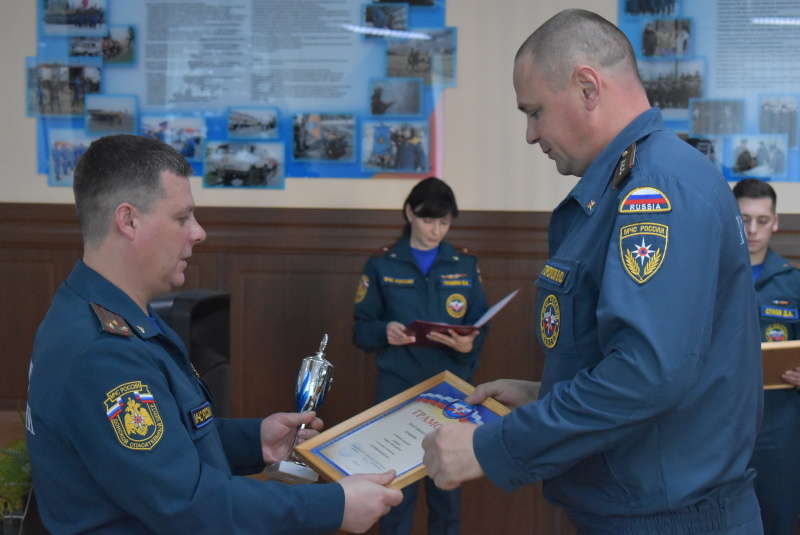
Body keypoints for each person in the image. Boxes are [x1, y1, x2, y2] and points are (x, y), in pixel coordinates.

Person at [421, 9, 763, 534]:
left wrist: (493, 448)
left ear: (587, 86)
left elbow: (647, 375)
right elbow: (655, 362)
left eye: (534, 111)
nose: (531, 134)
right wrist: (546, 392)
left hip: (668, 517)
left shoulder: (656, 191)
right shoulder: (633, 182)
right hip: (643, 503)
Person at [26, 134, 402, 535]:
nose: (198, 232)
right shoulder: (102, 352)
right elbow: (186, 503)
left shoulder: (109, 313)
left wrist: (255, 441)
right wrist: (333, 505)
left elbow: (168, 445)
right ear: (128, 220)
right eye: (181, 217)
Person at [353, 177, 489, 535]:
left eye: (444, 222)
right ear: (410, 213)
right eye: (429, 220)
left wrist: (468, 344)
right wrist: (386, 331)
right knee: (396, 498)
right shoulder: (382, 264)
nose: (436, 230)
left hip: (450, 394)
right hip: (398, 393)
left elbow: (480, 325)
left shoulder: (464, 264)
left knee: (447, 502)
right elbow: (361, 330)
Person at [733, 178, 800, 535]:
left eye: (762, 219)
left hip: (779, 429)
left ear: (775, 221)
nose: (753, 230)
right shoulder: (709, 277)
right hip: (719, 425)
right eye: (744, 219)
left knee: (777, 521)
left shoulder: (794, 285)